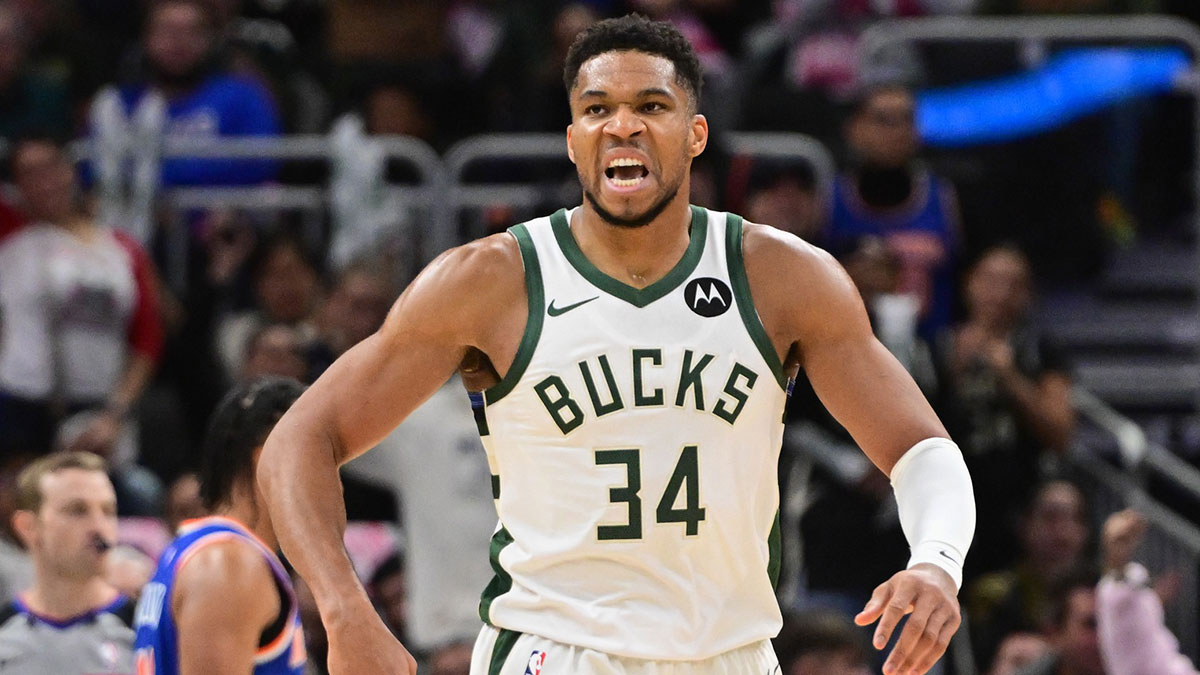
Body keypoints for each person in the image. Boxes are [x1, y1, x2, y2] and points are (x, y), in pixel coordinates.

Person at [259, 15, 975, 675]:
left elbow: (920, 449)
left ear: (695, 134)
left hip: (729, 652)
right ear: (573, 138)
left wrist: (938, 561)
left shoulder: (783, 278)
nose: (622, 126)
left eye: (651, 107)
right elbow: (302, 437)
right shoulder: (491, 280)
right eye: (597, 109)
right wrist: (343, 604)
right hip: (556, 649)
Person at [0, 135, 164, 514]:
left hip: (96, 409)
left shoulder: (121, 249)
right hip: (20, 403)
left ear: (70, 171)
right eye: (28, 174)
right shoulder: (9, 236)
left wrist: (116, 413)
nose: (43, 181)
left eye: (50, 168)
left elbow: (147, 338)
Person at [133, 377, 307, 674]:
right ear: (269, 455)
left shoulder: (200, 551)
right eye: (323, 452)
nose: (334, 476)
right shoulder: (229, 565)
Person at [828, 83, 961, 340]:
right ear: (854, 129)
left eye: (905, 120)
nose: (896, 131)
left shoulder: (945, 197)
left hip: (929, 354)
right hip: (845, 348)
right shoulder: (828, 200)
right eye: (883, 120)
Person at [0, 451, 135, 673]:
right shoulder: (5, 632)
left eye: (108, 511)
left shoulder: (142, 626)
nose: (99, 527)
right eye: (77, 511)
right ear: (28, 527)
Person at [1096, 510, 1198, 675]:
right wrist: (1116, 553)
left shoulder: (1139, 601)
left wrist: (1158, 597)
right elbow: (1117, 585)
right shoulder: (1113, 594)